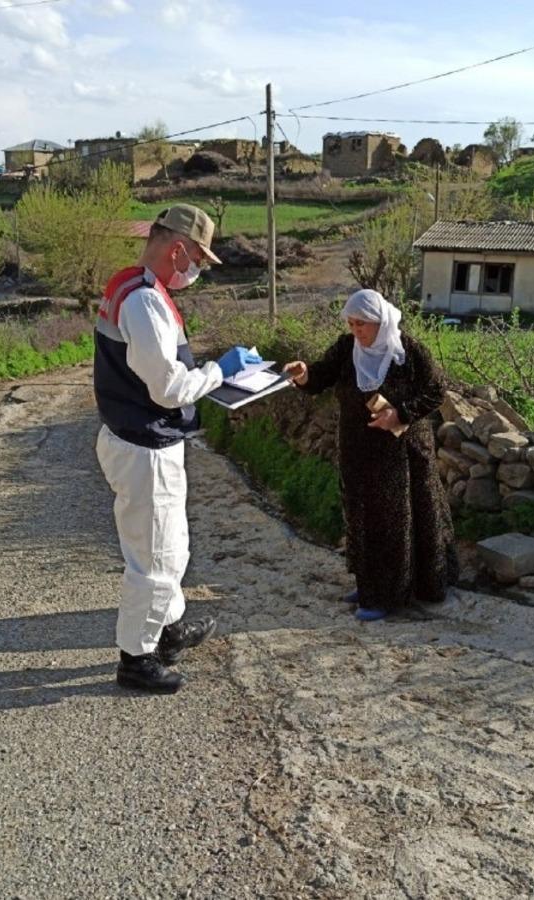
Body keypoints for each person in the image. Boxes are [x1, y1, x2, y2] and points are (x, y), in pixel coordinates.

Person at [94, 204, 262, 693]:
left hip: (140, 438)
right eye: (200, 261)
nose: (200, 271)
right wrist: (222, 372)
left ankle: (166, 630)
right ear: (179, 249)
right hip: (145, 444)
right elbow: (167, 388)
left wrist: (208, 371)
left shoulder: (132, 284)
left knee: (169, 547)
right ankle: (137, 658)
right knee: (155, 559)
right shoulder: (145, 301)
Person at [283, 289, 457, 621]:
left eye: (362, 324)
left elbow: (436, 390)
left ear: (380, 321)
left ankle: (390, 596)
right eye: (351, 323)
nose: (356, 330)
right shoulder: (347, 347)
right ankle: (369, 586)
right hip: (357, 448)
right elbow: (321, 374)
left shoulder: (408, 351)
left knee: (394, 520)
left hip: (400, 451)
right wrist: (304, 374)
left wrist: (401, 414)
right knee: (361, 516)